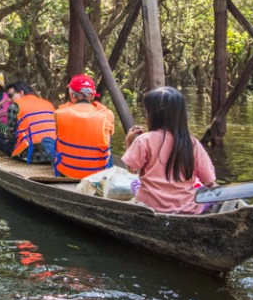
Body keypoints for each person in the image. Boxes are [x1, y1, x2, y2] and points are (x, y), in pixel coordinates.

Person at [122, 86, 216, 214]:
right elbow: (208, 180)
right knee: (212, 193)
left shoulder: (144, 140)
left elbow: (132, 169)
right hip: (185, 208)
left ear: (153, 115)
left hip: (150, 206)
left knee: (135, 183)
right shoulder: (192, 143)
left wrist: (129, 141)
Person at [54, 73, 115, 178]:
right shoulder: (107, 114)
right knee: (107, 145)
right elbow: (108, 142)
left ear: (72, 95)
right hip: (97, 175)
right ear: (91, 96)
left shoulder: (59, 113)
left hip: (66, 172)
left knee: (50, 141)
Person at [0, 81, 56, 163]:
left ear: (21, 93)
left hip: (31, 156)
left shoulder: (15, 106)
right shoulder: (48, 104)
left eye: (10, 95)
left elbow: (11, 137)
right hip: (54, 153)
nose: (9, 100)